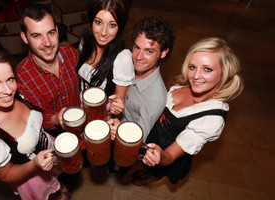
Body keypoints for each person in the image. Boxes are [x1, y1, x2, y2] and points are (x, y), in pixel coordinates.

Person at [0, 40, 68, 200]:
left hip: (51, 155)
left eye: (10, 79)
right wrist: (35, 164)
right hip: (33, 176)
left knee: (61, 186)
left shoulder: (17, 93)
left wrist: (55, 118)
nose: (9, 91)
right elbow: (6, 174)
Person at [132, 37, 244, 185]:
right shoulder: (185, 85)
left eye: (207, 69)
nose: (195, 76)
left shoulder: (212, 119)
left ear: (224, 73)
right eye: (192, 67)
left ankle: (151, 176)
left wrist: (160, 157)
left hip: (166, 153)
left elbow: (170, 156)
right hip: (152, 138)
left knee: (154, 170)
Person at [16, 4, 80, 136]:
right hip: (56, 134)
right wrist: (56, 119)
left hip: (81, 121)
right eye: (36, 36)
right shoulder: (22, 77)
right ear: (24, 37)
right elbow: (36, 118)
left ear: (57, 31)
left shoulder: (72, 54)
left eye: (51, 33)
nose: (47, 43)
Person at [108, 17, 175, 141]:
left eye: (149, 51)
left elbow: (138, 140)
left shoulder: (155, 98)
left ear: (163, 53)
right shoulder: (127, 62)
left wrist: (120, 128)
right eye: (137, 47)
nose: (138, 57)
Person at [77, 0, 134, 115]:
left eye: (112, 25)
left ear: (119, 27)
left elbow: (118, 101)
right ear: (91, 21)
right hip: (79, 106)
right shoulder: (85, 42)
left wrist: (117, 107)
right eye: (98, 22)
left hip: (100, 115)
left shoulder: (122, 59)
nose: (103, 32)